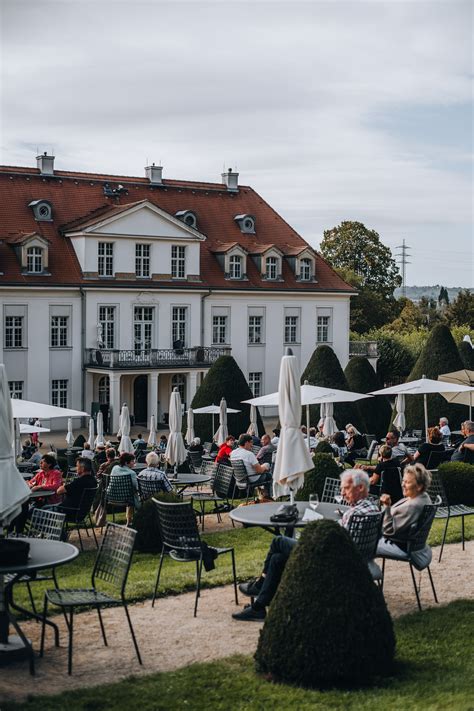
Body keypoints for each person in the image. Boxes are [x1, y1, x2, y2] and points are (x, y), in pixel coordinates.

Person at [233, 470, 378, 621]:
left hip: (330, 559)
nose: (342, 493)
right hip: (349, 558)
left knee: (279, 541)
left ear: (360, 487)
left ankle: (260, 584)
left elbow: (337, 541)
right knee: (277, 558)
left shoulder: (353, 514)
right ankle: (260, 606)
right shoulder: (372, 509)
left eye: (346, 488)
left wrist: (314, 536)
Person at [376, 463, 433, 564]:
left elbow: (387, 531)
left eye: (407, 482)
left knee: (360, 544)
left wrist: (387, 507)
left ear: (419, 486)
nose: (402, 485)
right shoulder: (424, 497)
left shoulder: (412, 506)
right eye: (403, 481)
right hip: (412, 545)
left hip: (398, 545)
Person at [109, 452, 140, 524]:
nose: (134, 462)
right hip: (126, 499)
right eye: (132, 461)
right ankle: (133, 521)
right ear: (126, 463)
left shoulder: (115, 468)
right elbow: (137, 487)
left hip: (112, 497)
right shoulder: (131, 473)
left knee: (130, 495)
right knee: (134, 496)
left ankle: (129, 522)